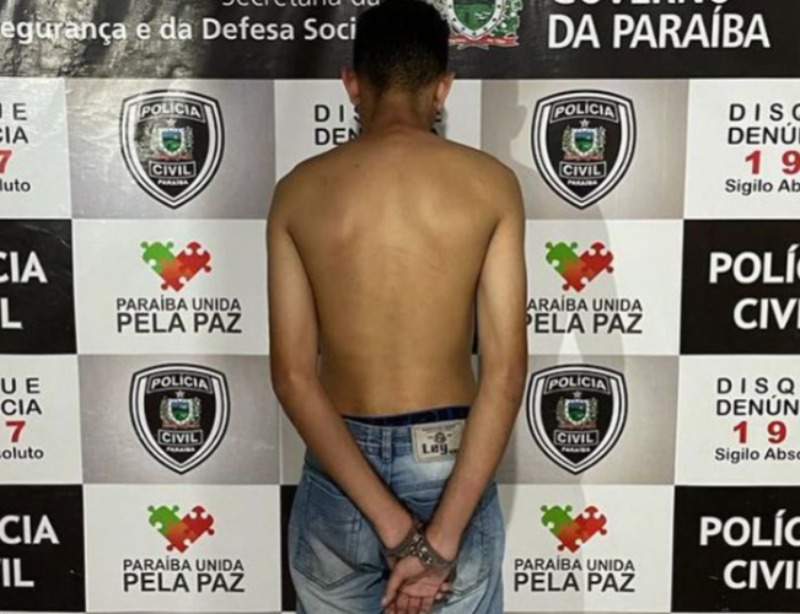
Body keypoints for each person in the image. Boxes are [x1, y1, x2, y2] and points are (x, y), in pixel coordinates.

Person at [267, 1, 527, 612]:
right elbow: (506, 372)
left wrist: (394, 529)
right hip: (451, 469)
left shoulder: (298, 192)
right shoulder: (490, 185)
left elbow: (293, 377)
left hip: (342, 477)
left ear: (352, 84)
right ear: (443, 87)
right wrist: (438, 542)